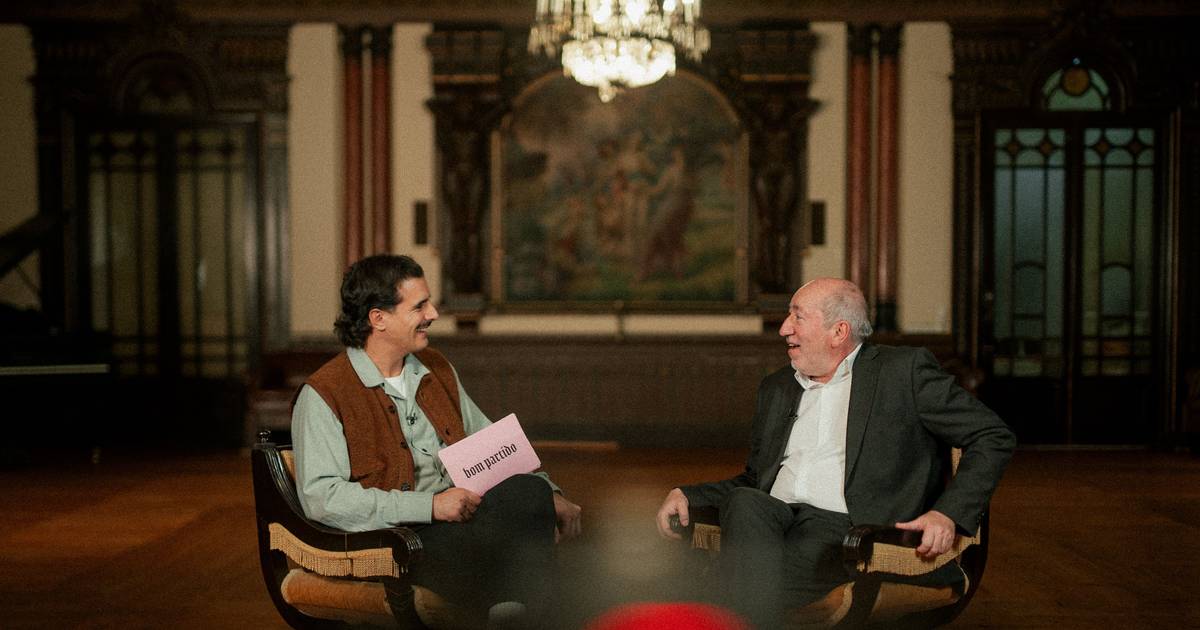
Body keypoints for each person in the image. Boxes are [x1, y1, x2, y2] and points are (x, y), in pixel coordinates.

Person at [654, 278, 1015, 628]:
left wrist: (947, 513)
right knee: (745, 502)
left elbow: (992, 435)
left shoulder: (902, 372)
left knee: (730, 575)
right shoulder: (777, 387)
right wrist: (688, 494)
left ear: (838, 331)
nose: (784, 328)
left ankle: (695, 599)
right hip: (773, 519)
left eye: (797, 316)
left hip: (848, 528)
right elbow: (755, 479)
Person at [292, 254, 582, 628]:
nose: (433, 313)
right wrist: (430, 506)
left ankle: (516, 614)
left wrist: (548, 495)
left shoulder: (436, 367)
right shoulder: (324, 393)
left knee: (530, 492)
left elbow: (493, 446)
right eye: (419, 306)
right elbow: (323, 498)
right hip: (399, 540)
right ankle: (520, 613)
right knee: (515, 550)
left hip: (464, 522)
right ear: (378, 318)